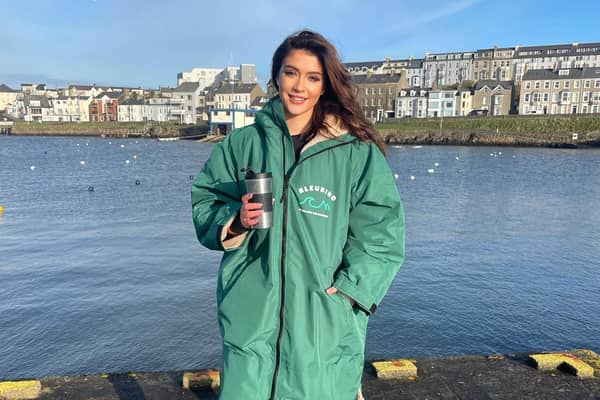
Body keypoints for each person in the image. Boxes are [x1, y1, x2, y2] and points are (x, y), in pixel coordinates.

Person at [192, 30, 405, 400]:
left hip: (322, 318)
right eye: (291, 73)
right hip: (250, 313)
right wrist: (236, 219)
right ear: (276, 77)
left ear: (325, 86)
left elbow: (382, 232)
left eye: (313, 77)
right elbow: (205, 200)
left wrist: (352, 292)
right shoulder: (243, 144)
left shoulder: (355, 151)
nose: (299, 86)